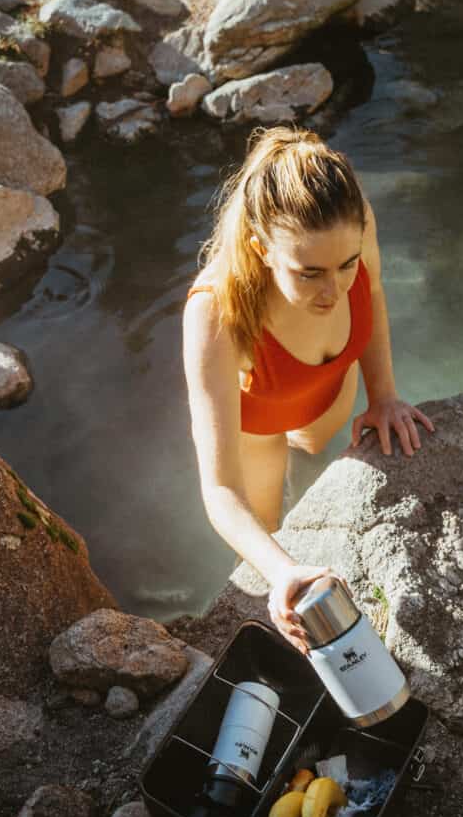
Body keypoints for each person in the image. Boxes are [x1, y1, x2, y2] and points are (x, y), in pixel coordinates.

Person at [182, 126, 435, 654]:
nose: (335, 289)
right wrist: (283, 573)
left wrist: (383, 395)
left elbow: (376, 292)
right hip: (258, 421)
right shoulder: (214, 312)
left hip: (327, 391)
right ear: (262, 249)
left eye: (345, 266)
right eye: (310, 272)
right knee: (266, 532)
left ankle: (303, 454)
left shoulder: (353, 225)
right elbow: (220, 489)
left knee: (316, 446)